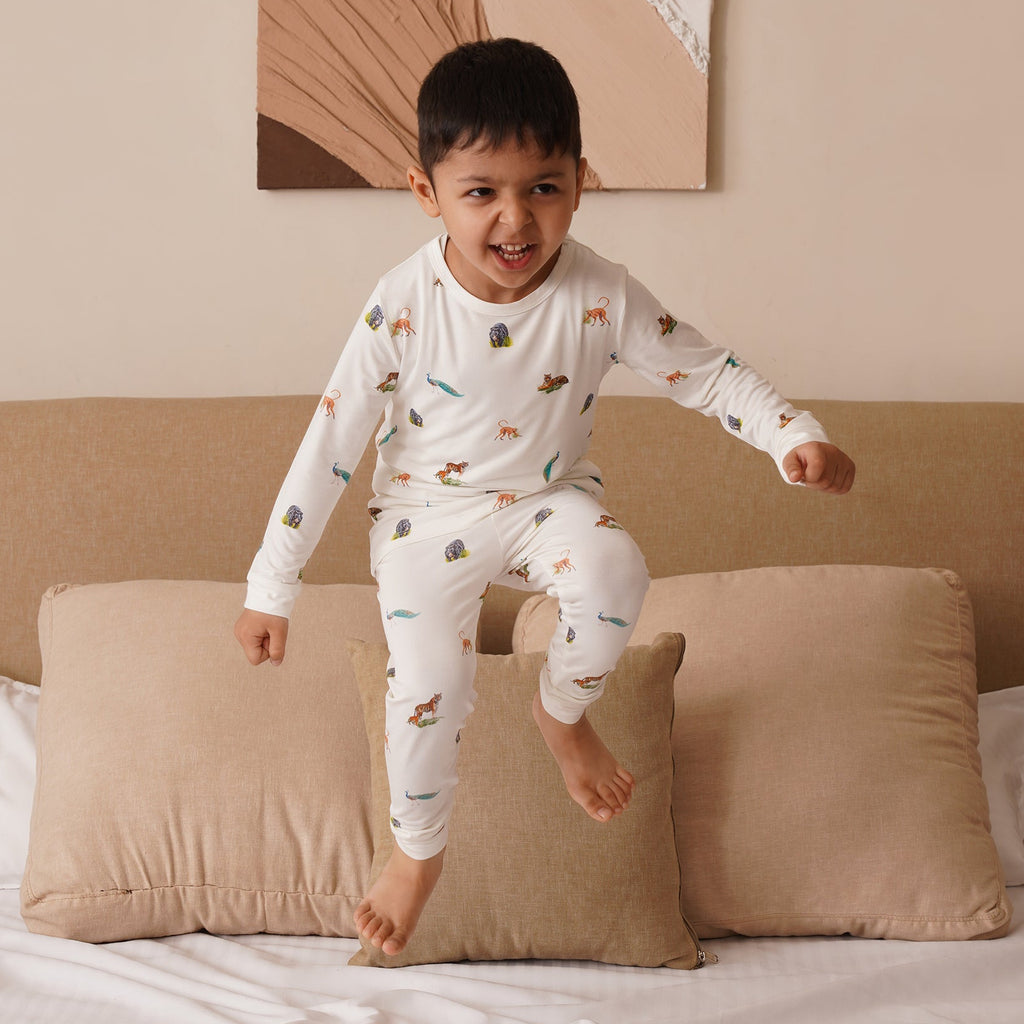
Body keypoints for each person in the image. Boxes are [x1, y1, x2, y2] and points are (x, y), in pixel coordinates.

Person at [234, 37, 855, 957]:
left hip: (546, 499)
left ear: (579, 183)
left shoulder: (598, 293)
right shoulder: (401, 302)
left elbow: (706, 373)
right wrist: (270, 586)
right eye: (481, 191)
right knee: (432, 686)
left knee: (615, 567)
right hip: (421, 519)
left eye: (544, 188)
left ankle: (562, 715)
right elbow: (329, 443)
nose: (515, 221)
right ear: (426, 192)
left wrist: (792, 433)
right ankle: (417, 854)